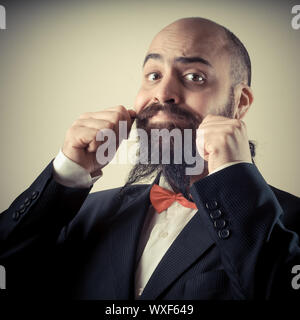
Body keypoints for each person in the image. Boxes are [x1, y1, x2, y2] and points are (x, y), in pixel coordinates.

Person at [0, 17, 299, 300]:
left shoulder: (290, 221)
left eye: (195, 77)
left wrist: (233, 177)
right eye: (153, 75)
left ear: (241, 103)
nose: (163, 92)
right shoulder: (85, 213)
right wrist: (68, 173)